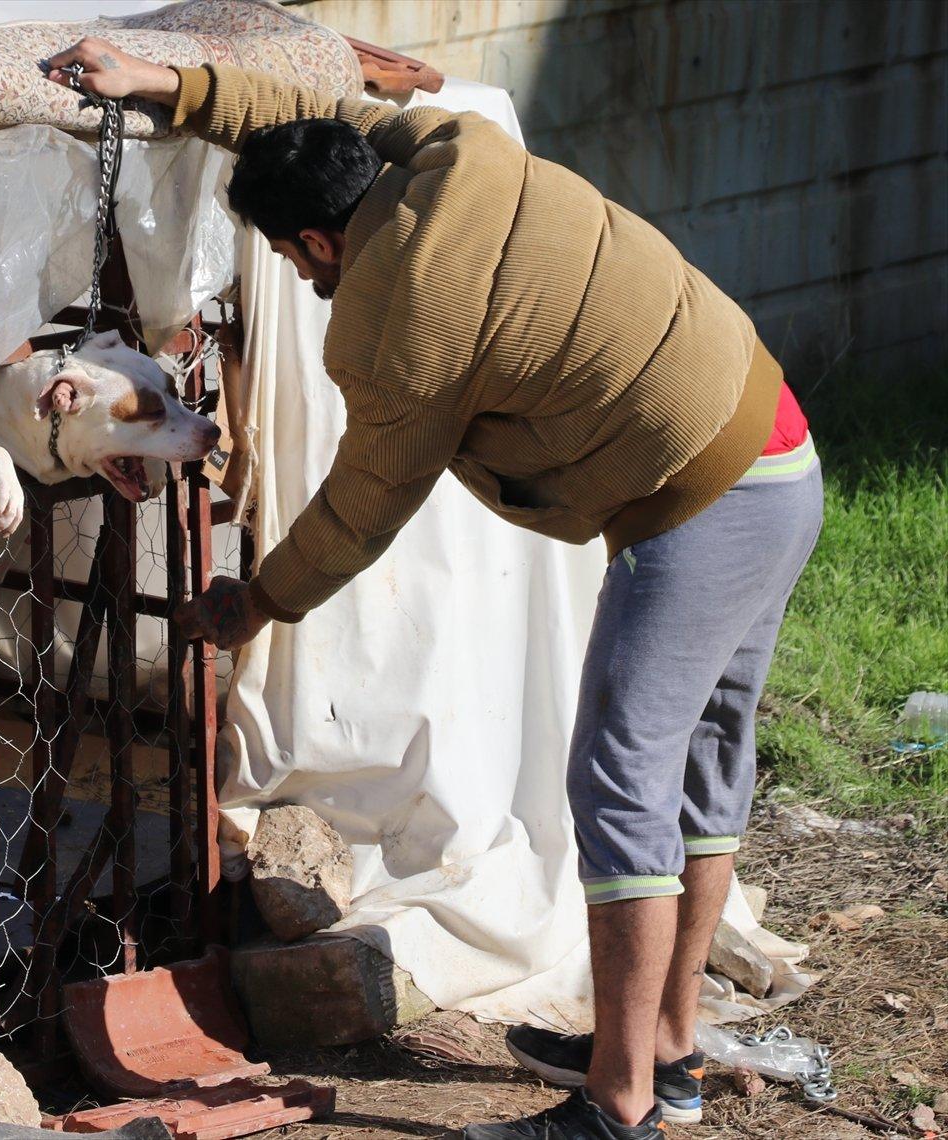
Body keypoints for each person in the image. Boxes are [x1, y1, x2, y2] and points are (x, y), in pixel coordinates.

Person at [47, 41, 823, 1140]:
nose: (311, 281)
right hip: (776, 448)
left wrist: (255, 600)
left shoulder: (396, 323)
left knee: (618, 781)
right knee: (696, 765)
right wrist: (168, 88)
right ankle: (665, 1048)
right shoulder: (454, 147)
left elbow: (365, 505)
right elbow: (317, 104)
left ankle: (619, 1106)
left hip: (700, 505)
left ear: (316, 241)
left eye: (299, 261)